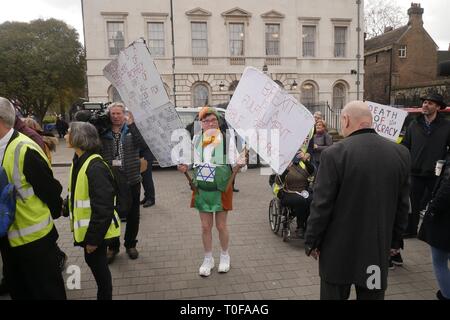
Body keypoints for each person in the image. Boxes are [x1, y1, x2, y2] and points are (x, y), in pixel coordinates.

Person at [305, 101, 410, 300]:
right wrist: (395, 241)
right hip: (375, 250)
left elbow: (321, 205)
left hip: (336, 250)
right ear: (370, 122)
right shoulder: (400, 153)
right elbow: (402, 205)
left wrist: (312, 241)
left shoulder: (334, 154)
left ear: (345, 120)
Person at [0, 97, 66, 300]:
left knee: (47, 293)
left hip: (36, 243)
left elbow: (51, 190)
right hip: (8, 243)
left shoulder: (24, 148)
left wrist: (55, 212)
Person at [177, 106, 245, 277]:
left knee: (221, 226)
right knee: (205, 226)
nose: (210, 123)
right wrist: (184, 166)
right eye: (206, 120)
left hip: (222, 188)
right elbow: (190, 162)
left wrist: (241, 163)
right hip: (202, 188)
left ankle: (224, 256)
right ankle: (208, 258)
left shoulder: (227, 140)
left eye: (213, 120)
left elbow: (238, 166)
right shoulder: (197, 139)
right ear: (201, 124)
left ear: (218, 121)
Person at [66, 122, 121, 300]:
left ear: (78, 138)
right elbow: (76, 191)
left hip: (96, 233)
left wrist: (93, 240)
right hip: (90, 231)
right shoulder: (78, 160)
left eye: (69, 132)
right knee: (94, 264)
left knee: (100, 270)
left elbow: (103, 208)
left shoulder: (95, 166)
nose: (65, 135)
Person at [100, 102, 146, 263]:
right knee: (112, 215)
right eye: (113, 113)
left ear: (124, 114)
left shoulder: (132, 130)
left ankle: (130, 244)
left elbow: (143, 145)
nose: (116, 116)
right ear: (109, 115)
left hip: (131, 179)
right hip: (111, 181)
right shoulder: (103, 131)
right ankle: (113, 247)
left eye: (119, 113)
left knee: (134, 214)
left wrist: (132, 125)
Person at [402, 93, 450, 239]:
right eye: (424, 103)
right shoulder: (413, 124)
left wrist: (444, 161)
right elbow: (405, 145)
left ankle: (433, 231)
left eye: (429, 103)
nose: (425, 105)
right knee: (412, 204)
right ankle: (411, 230)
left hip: (436, 173)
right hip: (415, 172)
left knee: (436, 203)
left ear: (437, 107)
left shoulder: (446, 126)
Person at [418, 154, 450, 300]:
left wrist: (431, 211)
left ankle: (446, 294)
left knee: (439, 261)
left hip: (444, 222)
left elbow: (445, 192)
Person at [270, 150, 314, 239]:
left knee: (312, 199)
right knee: (300, 200)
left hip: (304, 190)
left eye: (297, 153)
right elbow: (278, 182)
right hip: (288, 192)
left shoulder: (303, 163)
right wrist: (286, 170)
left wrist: (305, 160)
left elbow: (312, 171)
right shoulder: (282, 164)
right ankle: (300, 227)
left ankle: (309, 225)